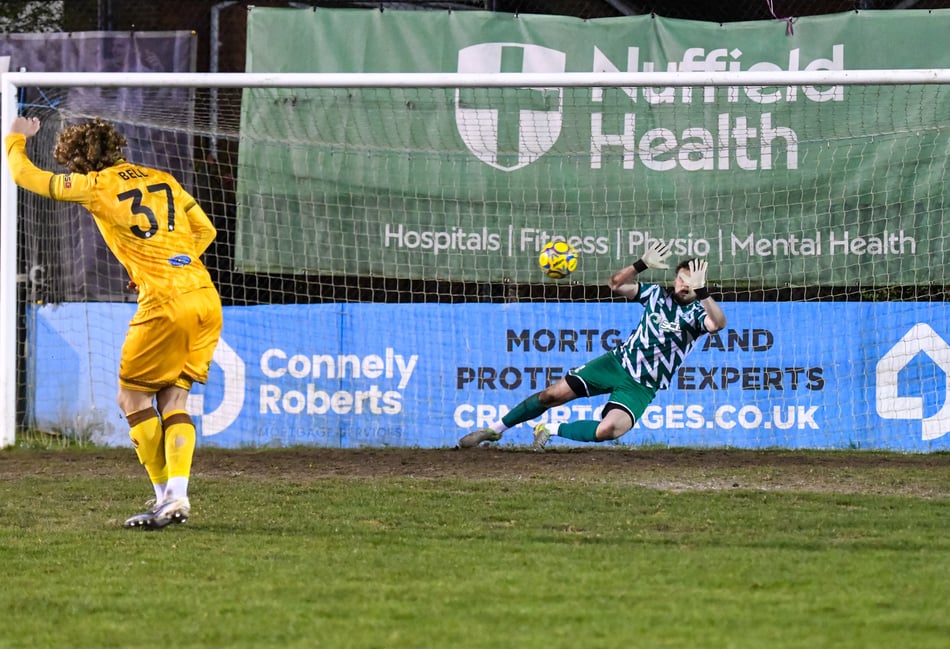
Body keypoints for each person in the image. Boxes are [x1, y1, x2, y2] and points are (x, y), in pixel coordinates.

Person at [5, 116, 223, 529]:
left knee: (132, 400)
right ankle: (173, 497)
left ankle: (171, 497)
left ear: (79, 162)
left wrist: (16, 136)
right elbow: (206, 230)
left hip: (164, 302)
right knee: (174, 400)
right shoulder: (163, 179)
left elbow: (24, 175)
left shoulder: (96, 185)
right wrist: (169, 258)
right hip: (204, 295)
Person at [458, 241, 727, 451]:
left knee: (609, 430)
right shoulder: (656, 295)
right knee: (550, 395)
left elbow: (718, 324)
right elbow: (615, 284)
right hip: (615, 364)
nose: (684, 284)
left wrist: (704, 293)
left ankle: (550, 429)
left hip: (643, 385)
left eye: (691, 282)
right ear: (675, 279)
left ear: (699, 285)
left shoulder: (698, 313)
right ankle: (494, 430)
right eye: (681, 278)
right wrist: (640, 263)